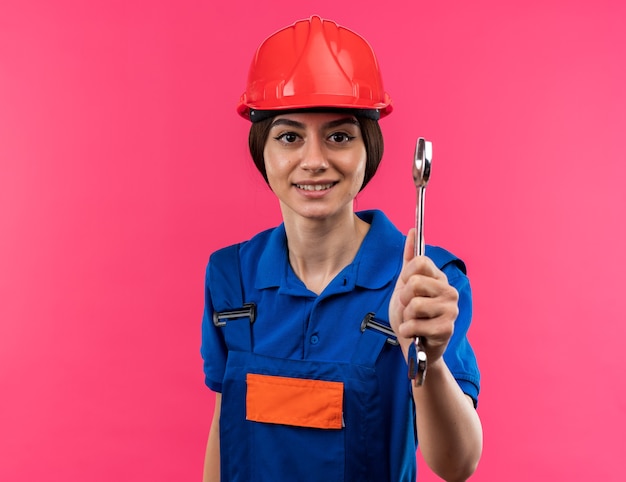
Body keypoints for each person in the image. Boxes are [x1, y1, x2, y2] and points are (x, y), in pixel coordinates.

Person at [201, 15, 482, 482]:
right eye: (289, 137)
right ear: (261, 150)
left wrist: (427, 359)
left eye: (339, 136)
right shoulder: (230, 275)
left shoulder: (424, 284)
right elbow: (224, 429)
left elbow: (458, 465)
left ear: (368, 149)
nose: (314, 161)